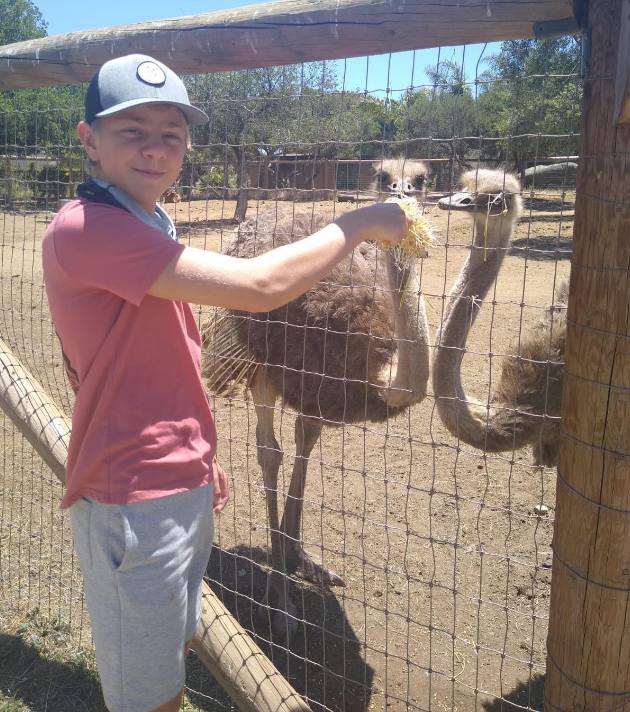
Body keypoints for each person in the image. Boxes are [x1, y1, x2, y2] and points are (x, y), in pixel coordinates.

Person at [42, 53, 409, 712]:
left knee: (172, 655)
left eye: (172, 135)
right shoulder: (87, 230)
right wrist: (362, 224)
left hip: (177, 483)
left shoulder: (146, 222)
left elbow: (172, 357)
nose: (156, 149)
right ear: (88, 139)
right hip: (133, 496)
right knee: (147, 697)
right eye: (133, 131)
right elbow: (259, 288)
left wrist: (199, 460)